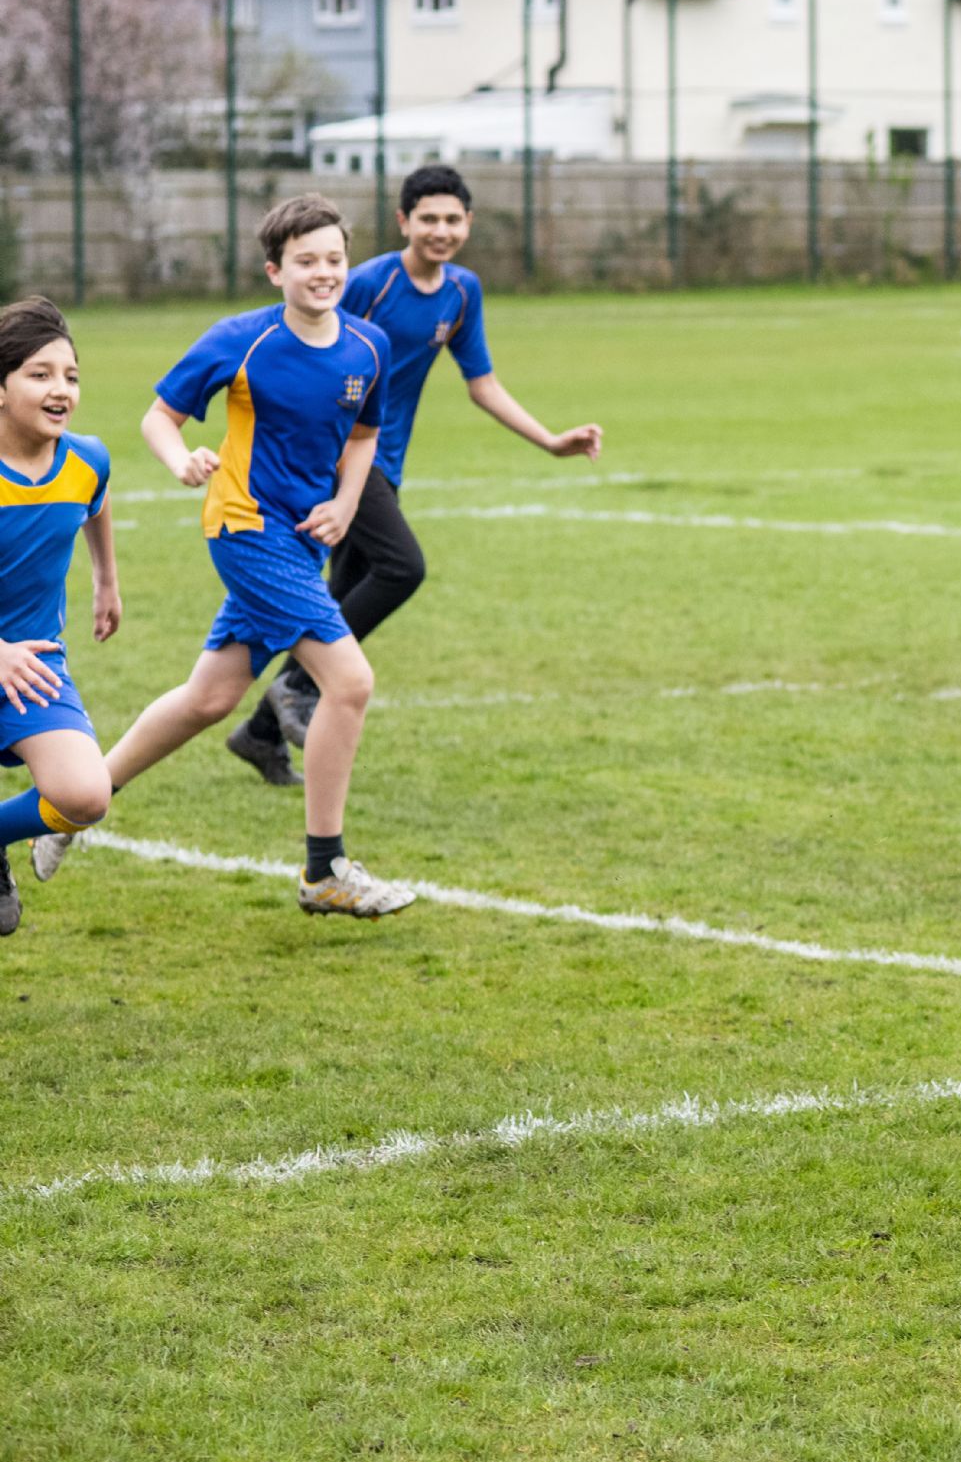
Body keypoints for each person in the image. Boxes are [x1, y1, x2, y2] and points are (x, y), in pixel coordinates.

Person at [29, 195, 413, 918]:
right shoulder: (242, 340)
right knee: (350, 683)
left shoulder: (369, 346)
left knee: (209, 699)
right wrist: (179, 460)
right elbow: (158, 416)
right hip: (243, 528)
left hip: (297, 545)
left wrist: (348, 503)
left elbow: (364, 436)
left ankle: (69, 808)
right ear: (275, 270)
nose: (324, 273)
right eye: (306, 262)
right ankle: (323, 869)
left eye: (335, 259)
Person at [231, 165, 602, 783]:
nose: (441, 230)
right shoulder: (368, 282)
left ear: (468, 224)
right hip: (335, 461)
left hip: (384, 461)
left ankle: (262, 733)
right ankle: (296, 689)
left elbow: (480, 382)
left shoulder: (462, 292)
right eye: (427, 218)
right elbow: (297, 338)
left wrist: (549, 441)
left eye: (452, 219)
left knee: (343, 598)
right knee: (402, 568)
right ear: (403, 222)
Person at [0, 300, 119, 937]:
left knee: (85, 796)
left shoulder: (86, 458)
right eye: (39, 374)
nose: (61, 389)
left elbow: (94, 502)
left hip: (35, 670)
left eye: (70, 376)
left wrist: (106, 581)